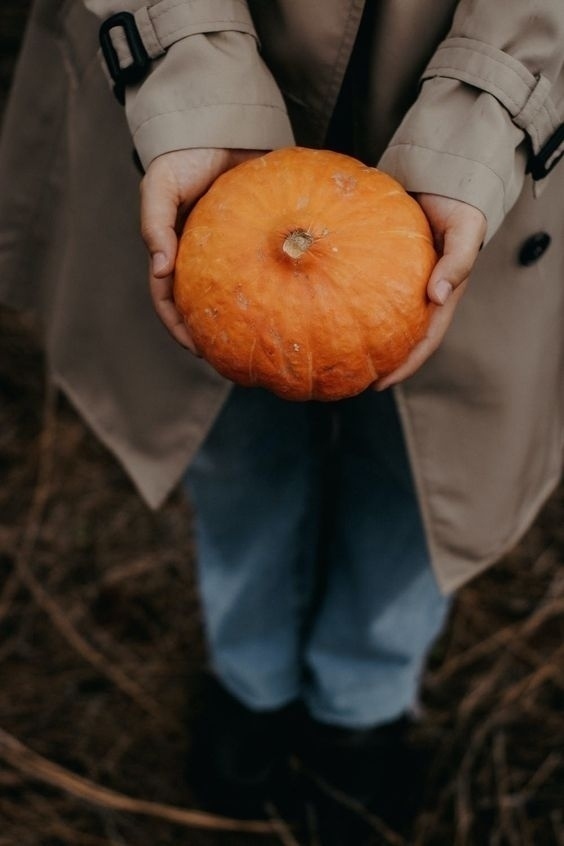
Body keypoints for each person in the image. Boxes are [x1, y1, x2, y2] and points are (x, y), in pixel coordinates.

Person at [1, 0, 563, 838]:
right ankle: (250, 671)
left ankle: (363, 697)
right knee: (227, 433)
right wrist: (189, 66)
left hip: (485, 107)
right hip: (208, 73)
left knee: (428, 467)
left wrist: (488, 117)